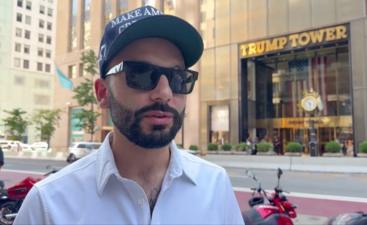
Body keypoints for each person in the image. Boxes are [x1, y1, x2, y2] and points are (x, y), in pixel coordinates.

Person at [14, 6, 244, 225]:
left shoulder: (215, 185)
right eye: (141, 74)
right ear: (103, 93)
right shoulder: (48, 204)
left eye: (178, 78)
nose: (164, 93)